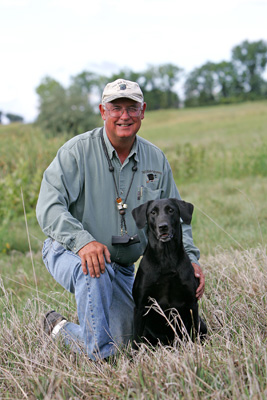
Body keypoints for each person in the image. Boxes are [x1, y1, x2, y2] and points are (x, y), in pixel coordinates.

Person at [36, 78, 205, 360]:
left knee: (127, 336)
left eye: (132, 108)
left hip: (124, 268)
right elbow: (48, 207)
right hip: (70, 252)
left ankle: (59, 329)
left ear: (143, 111)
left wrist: (191, 257)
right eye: (116, 108)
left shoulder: (156, 159)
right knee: (95, 268)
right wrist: (83, 242)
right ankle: (101, 361)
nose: (124, 115)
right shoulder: (76, 152)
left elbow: (177, 220)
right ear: (103, 111)